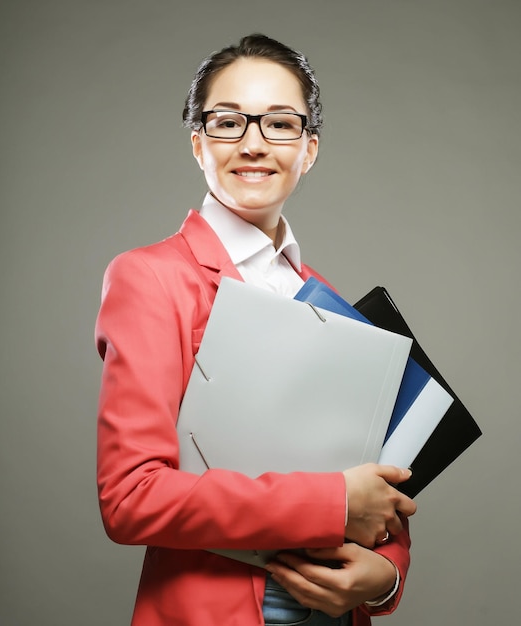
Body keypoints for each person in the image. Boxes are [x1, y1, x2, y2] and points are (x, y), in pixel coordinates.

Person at [95, 33, 417, 626]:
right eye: (227, 122)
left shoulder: (328, 299)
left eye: (279, 124)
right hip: (215, 609)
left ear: (309, 148)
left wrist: (385, 576)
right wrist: (333, 501)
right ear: (198, 143)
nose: (252, 144)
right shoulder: (150, 278)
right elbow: (131, 496)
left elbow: (377, 484)